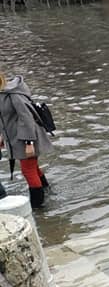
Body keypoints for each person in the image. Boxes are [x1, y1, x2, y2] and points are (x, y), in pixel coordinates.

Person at [0, 72, 52, 209]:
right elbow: (3, 119)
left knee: (28, 170)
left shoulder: (13, 95)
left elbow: (27, 118)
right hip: (15, 138)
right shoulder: (2, 95)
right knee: (32, 167)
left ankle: (38, 206)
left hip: (27, 138)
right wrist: (2, 136)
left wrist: (29, 143)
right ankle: (47, 192)